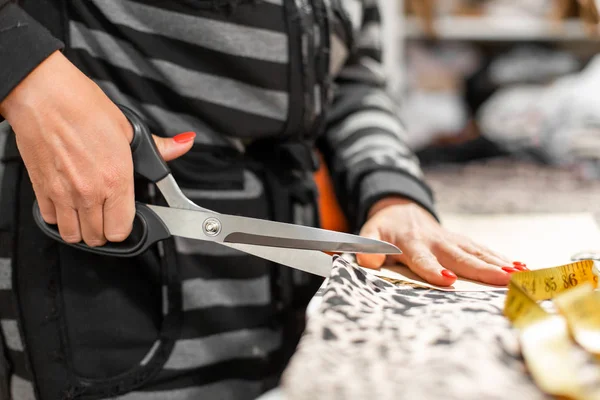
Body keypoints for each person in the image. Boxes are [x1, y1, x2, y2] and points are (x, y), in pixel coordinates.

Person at [0, 1, 522, 399]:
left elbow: (351, 81)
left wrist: (394, 193)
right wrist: (26, 73)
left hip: (285, 313)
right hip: (104, 292)